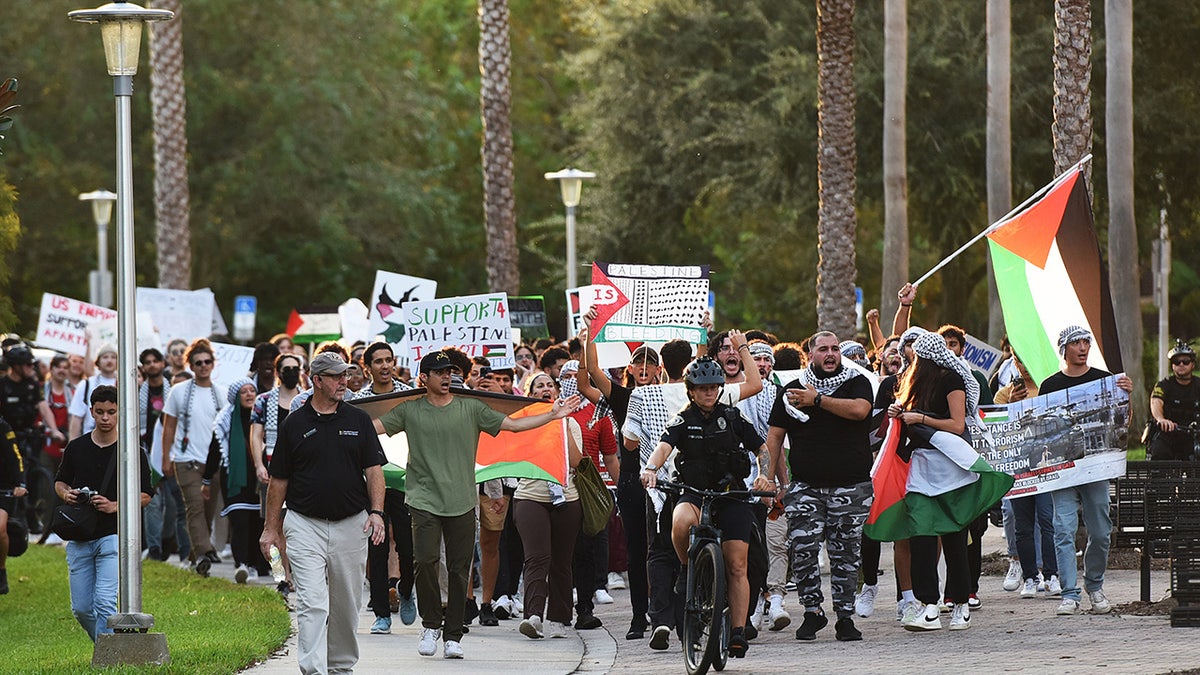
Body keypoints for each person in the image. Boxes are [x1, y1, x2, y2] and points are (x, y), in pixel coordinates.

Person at [372, 349, 581, 660]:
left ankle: (453, 634)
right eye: (439, 372)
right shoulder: (409, 410)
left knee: (459, 571)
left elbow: (512, 425)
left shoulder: (471, 407)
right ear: (423, 378)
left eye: (449, 372)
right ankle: (430, 625)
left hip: (462, 501)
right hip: (423, 500)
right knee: (425, 562)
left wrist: (551, 415)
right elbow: (372, 428)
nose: (446, 377)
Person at [260, 352, 386, 674]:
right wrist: (270, 529)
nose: (344, 381)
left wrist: (377, 513)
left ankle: (340, 667)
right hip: (304, 524)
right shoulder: (294, 423)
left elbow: (374, 471)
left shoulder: (358, 420)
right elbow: (279, 481)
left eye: (345, 374)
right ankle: (313, 669)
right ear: (317, 381)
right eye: (336, 376)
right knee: (313, 603)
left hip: (352, 524)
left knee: (345, 606)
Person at [640, 356, 773, 659]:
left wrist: (764, 474)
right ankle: (687, 569)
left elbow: (761, 448)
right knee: (680, 520)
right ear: (691, 391)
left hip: (731, 495)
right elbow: (663, 447)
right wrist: (650, 468)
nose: (709, 392)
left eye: (714, 387)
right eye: (702, 388)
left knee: (738, 563)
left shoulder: (733, 416)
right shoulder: (683, 419)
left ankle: (738, 631)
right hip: (695, 493)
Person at [767, 331, 874, 642]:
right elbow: (774, 436)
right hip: (805, 488)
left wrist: (817, 400)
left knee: (846, 555)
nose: (830, 354)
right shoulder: (791, 390)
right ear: (809, 355)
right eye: (823, 349)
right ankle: (812, 612)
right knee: (802, 552)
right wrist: (769, 476)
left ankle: (845, 617)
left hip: (851, 487)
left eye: (835, 349)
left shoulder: (856, 381)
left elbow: (859, 410)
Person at [888, 332, 986, 632]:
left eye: (916, 355)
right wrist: (899, 413)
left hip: (951, 468)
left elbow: (957, 425)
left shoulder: (951, 380)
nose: (911, 359)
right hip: (921, 468)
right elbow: (908, 418)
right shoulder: (910, 382)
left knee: (955, 539)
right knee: (920, 536)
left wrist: (921, 419)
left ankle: (959, 605)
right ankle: (929, 605)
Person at [1043, 325, 1133, 616]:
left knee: (1101, 530)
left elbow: (1121, 422)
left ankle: (1094, 586)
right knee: (1063, 529)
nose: (1082, 347)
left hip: (1096, 467)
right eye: (1076, 343)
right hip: (1064, 469)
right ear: (1064, 348)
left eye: (1086, 342)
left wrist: (1126, 398)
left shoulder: (1104, 380)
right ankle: (1069, 593)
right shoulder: (1049, 386)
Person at [53, 385, 154, 641]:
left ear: (120, 412)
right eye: (100, 412)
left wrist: (114, 505)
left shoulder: (132, 451)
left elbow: (147, 494)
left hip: (112, 534)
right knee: (82, 608)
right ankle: (105, 647)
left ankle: (109, 657)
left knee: (105, 601)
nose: (106, 418)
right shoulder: (76, 448)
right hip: (80, 533)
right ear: (92, 412)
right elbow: (60, 482)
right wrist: (67, 494)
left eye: (111, 412)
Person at [514, 372, 585, 639]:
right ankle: (533, 616)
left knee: (561, 562)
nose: (545, 389)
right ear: (531, 394)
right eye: (539, 386)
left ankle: (560, 618)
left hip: (567, 497)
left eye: (549, 385)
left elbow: (576, 462)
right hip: (530, 497)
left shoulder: (571, 423)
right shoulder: (522, 422)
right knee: (537, 557)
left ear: (556, 391)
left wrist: (563, 424)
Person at [994, 355, 1060, 598]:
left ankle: (1052, 575)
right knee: (1021, 524)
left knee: (1046, 519)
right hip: (1018, 468)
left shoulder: (1047, 388)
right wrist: (1011, 403)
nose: (1023, 365)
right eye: (1018, 361)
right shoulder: (1004, 393)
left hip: (1043, 465)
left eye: (1026, 358)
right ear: (1014, 362)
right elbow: (998, 428)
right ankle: (1030, 577)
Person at [161, 338, 223, 574]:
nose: (203, 366)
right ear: (191, 365)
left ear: (213, 364)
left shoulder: (222, 393)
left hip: (213, 463)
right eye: (198, 363)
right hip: (186, 459)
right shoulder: (179, 391)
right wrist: (166, 457)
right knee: (194, 507)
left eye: (207, 361)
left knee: (206, 511)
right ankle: (207, 551)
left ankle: (195, 559)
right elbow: (169, 426)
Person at [204, 378, 269, 583]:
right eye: (244, 392)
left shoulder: (266, 415)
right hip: (235, 480)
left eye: (252, 390)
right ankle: (242, 564)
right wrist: (206, 480)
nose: (250, 394)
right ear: (235, 397)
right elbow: (215, 451)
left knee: (261, 524)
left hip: (263, 480)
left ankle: (266, 566)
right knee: (240, 522)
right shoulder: (224, 420)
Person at [1148, 340, 1200, 460]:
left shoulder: (1198, 385)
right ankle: (1159, 478)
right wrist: (1161, 419)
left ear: (1193, 365)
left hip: (1193, 434)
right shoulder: (1164, 385)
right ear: (1172, 365)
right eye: (1177, 362)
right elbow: (1156, 401)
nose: (1181, 364)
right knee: (1159, 452)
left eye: (1185, 362)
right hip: (1168, 432)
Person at [67, 344, 119, 440]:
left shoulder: (124, 385)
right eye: (105, 357)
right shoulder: (86, 384)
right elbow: (76, 417)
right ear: (98, 362)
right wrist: (72, 444)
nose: (109, 360)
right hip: (90, 440)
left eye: (113, 357)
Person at [0, 416, 27, 594]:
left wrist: (20, 483)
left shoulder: (3, 428)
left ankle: (1, 569)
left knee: (0, 527)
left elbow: (16, 456)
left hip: (3, 488)